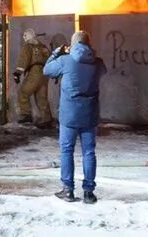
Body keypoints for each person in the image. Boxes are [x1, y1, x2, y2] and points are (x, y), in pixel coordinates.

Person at [44, 30, 106, 204]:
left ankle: (68, 190)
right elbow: (102, 70)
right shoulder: (98, 62)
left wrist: (57, 52)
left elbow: (47, 70)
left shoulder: (65, 60)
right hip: (90, 115)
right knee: (89, 152)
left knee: (66, 151)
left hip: (69, 116)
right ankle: (88, 193)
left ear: (73, 44)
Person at [13, 28, 52, 127]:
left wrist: (18, 73)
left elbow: (24, 60)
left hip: (35, 72)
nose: (24, 38)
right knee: (41, 97)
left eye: (25, 36)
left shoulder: (28, 47)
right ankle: (46, 119)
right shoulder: (43, 47)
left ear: (28, 36)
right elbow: (50, 59)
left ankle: (26, 115)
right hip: (45, 73)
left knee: (23, 92)